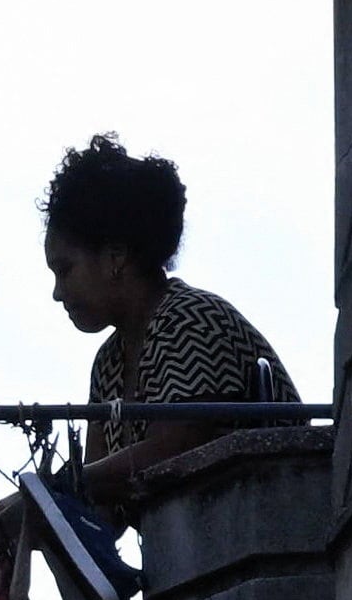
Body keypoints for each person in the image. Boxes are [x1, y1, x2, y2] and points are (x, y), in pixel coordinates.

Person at [38, 133, 296, 514]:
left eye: (65, 270)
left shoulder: (189, 319)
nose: (58, 293)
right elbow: (100, 508)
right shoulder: (109, 364)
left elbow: (176, 449)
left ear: (114, 257)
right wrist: (27, 518)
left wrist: (50, 491)